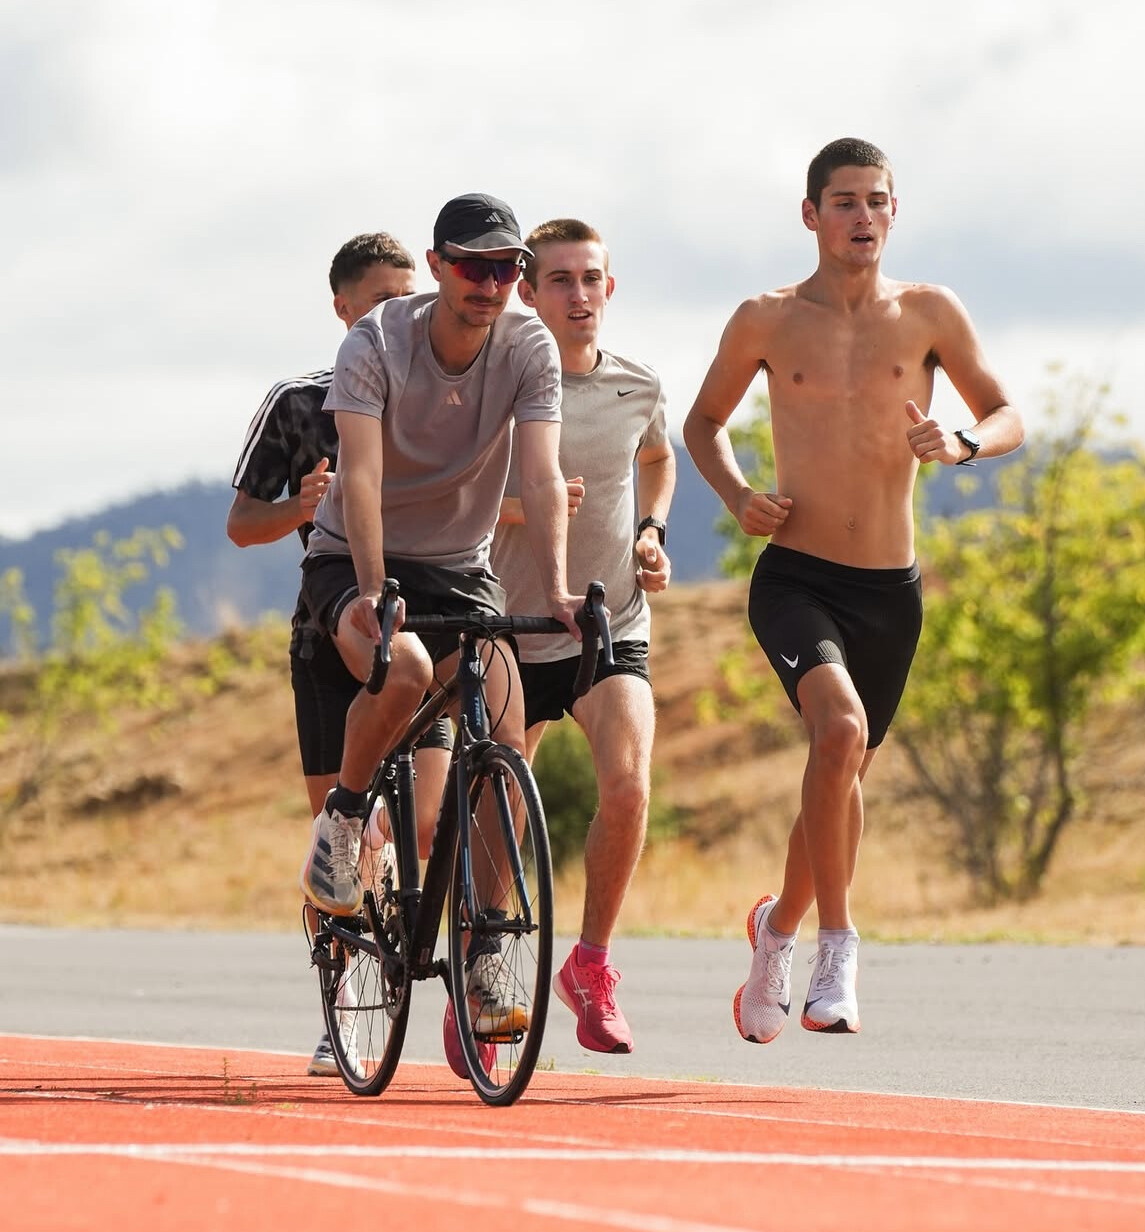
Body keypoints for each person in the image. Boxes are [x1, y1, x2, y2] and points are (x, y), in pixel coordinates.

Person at [683, 138, 1024, 1043]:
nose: (862, 216)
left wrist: (961, 443)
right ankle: (836, 947)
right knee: (836, 733)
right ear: (810, 215)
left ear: (893, 213)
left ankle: (774, 930)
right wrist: (737, 497)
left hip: (889, 592)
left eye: (876, 200)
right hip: (795, 576)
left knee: (840, 777)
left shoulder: (929, 312)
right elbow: (703, 422)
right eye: (844, 201)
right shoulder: (765, 319)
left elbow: (1007, 415)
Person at [297, 193, 578, 1056]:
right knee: (408, 670)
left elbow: (541, 474)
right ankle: (345, 820)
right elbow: (362, 477)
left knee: (504, 731)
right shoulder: (375, 341)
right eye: (472, 266)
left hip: (460, 566)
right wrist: (372, 589)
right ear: (438, 264)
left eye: (506, 270)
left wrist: (558, 589)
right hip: (356, 557)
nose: (489, 285)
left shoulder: (528, 346)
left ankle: (486, 947)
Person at [227, 231, 453, 1078]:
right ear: (343, 308)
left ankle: (408, 887)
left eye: (410, 296)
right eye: (383, 299)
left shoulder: (439, 395)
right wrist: (299, 508)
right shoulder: (298, 402)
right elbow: (240, 525)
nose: (401, 312)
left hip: (422, 621)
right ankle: (344, 1002)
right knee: (337, 837)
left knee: (425, 820)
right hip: (329, 634)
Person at [490, 219, 675, 1054]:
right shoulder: (497, 387)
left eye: (590, 278)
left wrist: (650, 531)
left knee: (629, 787)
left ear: (610, 287)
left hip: (608, 620)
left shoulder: (637, 384)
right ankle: (485, 959)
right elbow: (441, 496)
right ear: (527, 294)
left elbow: (658, 458)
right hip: (508, 623)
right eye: (559, 280)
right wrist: (524, 507)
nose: (578, 294)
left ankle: (590, 965)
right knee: (502, 800)